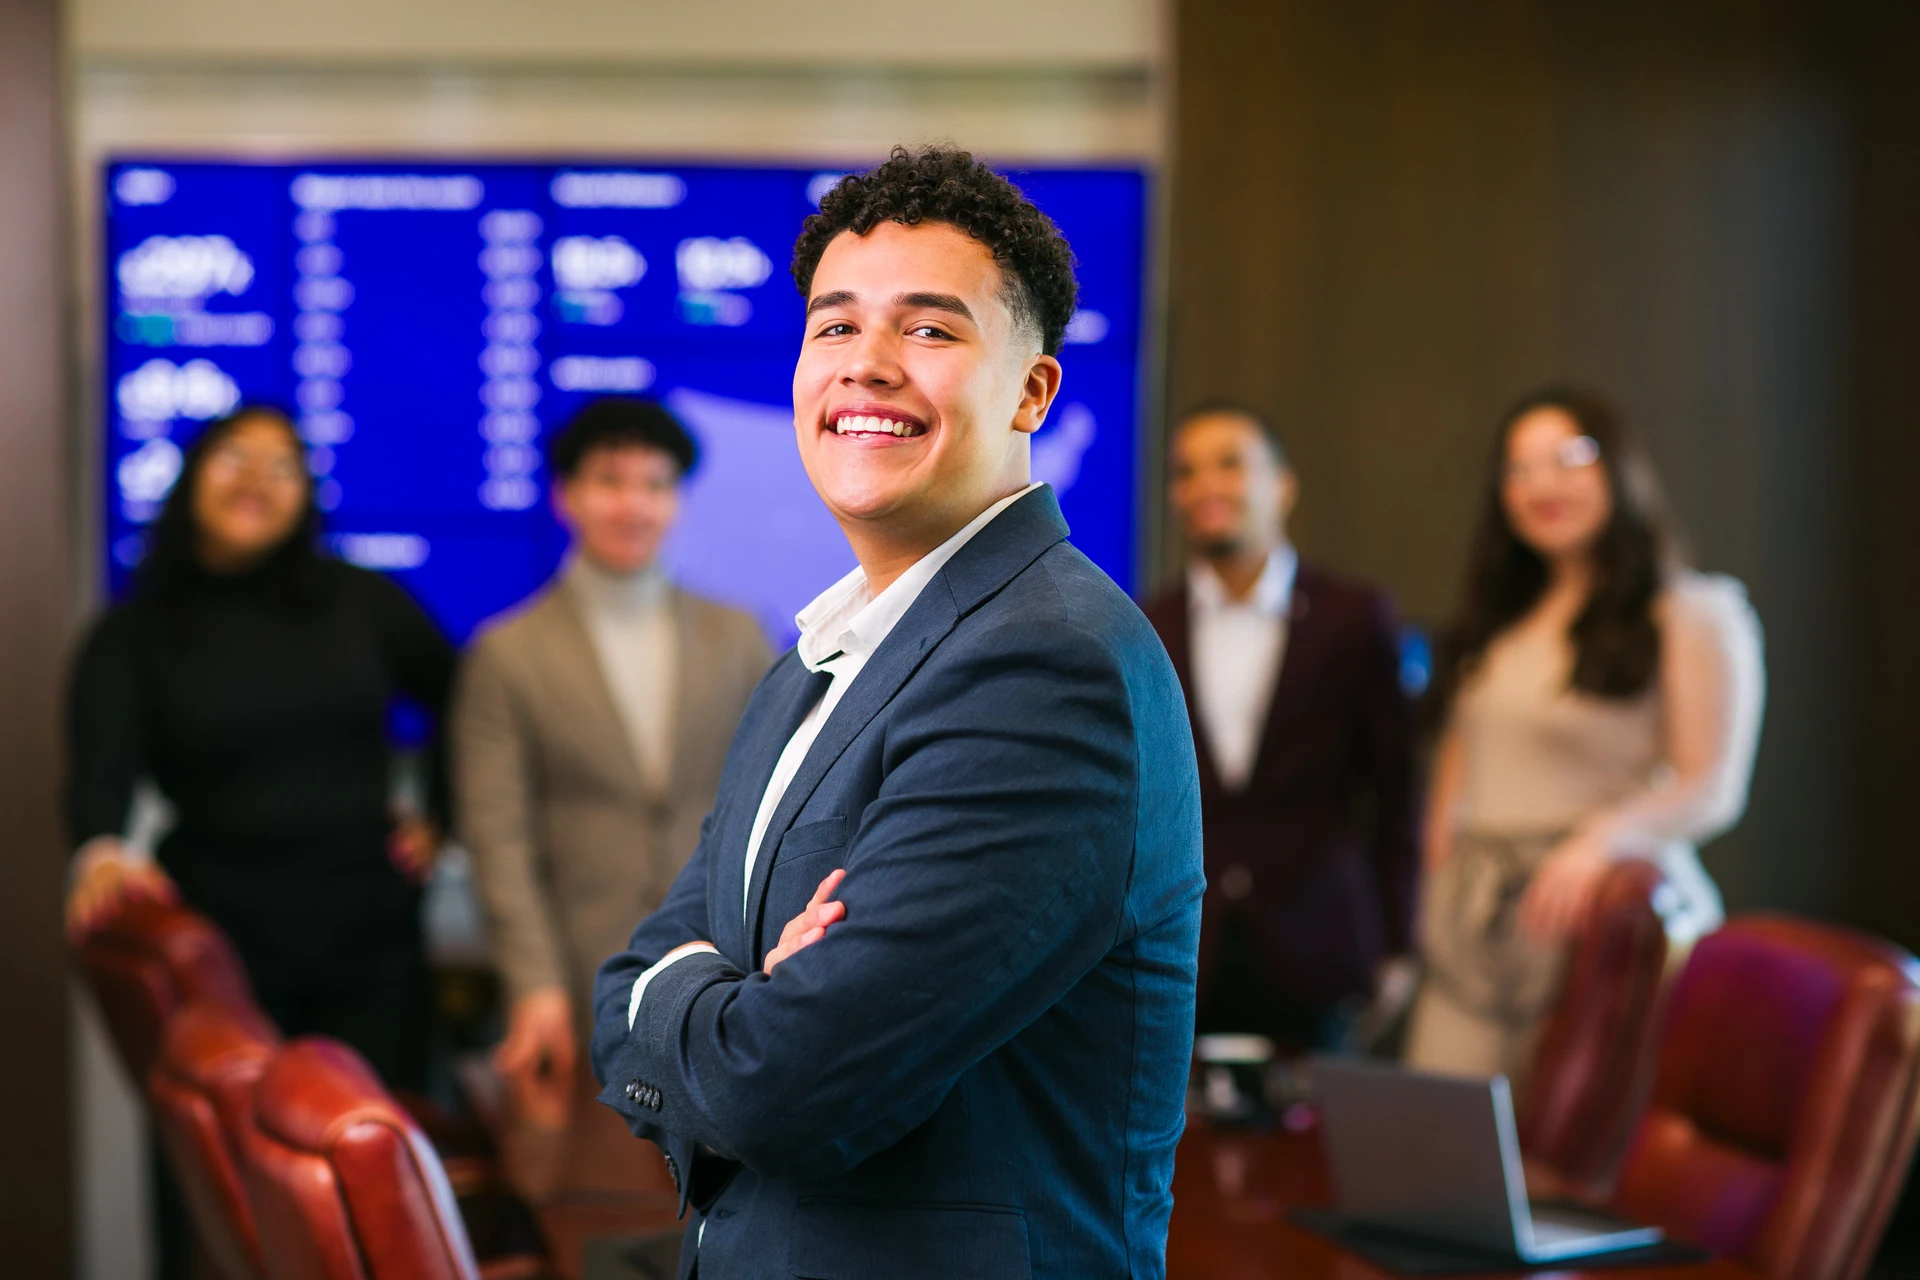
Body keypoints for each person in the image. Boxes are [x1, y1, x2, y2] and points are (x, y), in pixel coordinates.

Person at [589, 146, 1203, 1279]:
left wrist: (712, 991)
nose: (865, 366)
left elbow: (785, 1083)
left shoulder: (1044, 664)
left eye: (928, 329)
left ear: (1032, 390)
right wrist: (721, 992)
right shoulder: (816, 659)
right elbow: (624, 978)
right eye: (834, 327)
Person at [66, 404, 456, 1089]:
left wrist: (447, 816)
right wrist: (101, 851)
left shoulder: (361, 600)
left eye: (283, 467)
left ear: (305, 497)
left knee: (373, 1153)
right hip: (216, 943)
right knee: (217, 1174)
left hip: (370, 936)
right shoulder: (133, 631)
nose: (258, 480)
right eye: (235, 458)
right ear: (190, 480)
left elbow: (464, 699)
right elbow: (101, 770)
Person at [1407, 385, 1765, 1087]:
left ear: (1620, 470)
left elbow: (1713, 788)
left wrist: (1594, 845)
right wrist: (1437, 875)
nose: (1542, 484)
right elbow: (1462, 757)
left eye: (1569, 457)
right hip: (1474, 918)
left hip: (1596, 917)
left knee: (1566, 1168)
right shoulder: (1500, 620)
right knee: (1439, 1144)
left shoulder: (1690, 611)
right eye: (1519, 467)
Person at [453, 398, 771, 1103]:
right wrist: (534, 986)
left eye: (655, 485)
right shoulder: (506, 654)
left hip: (729, 973)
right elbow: (498, 843)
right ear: (565, 496)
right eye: (610, 481)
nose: (633, 505)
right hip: (578, 979)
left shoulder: (741, 638)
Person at [1144, 403, 1417, 1052]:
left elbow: (1396, 793)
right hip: (1187, 946)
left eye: (1231, 464)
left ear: (1282, 485)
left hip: (1317, 942)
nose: (1207, 485)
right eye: (1187, 471)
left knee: (1322, 1147)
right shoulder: (1147, 622)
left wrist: (1399, 942)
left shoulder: (1354, 618)